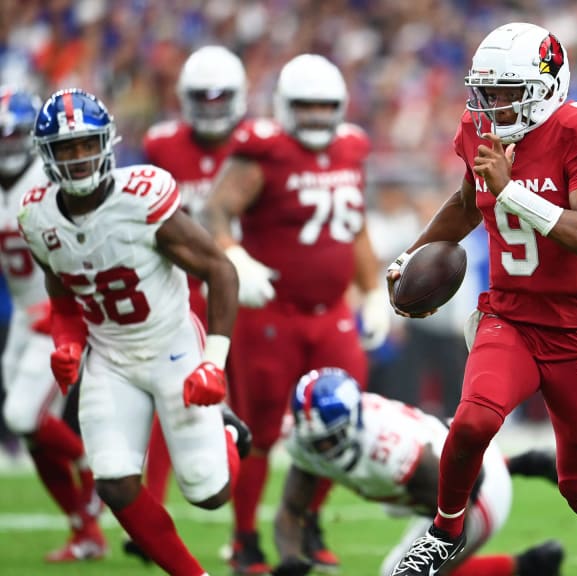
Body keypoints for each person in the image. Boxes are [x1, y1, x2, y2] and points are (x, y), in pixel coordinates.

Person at [386, 22, 577, 576]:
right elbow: (464, 202)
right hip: (511, 314)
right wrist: (411, 257)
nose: (495, 104)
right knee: (473, 421)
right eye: (488, 91)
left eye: (508, 91)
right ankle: (444, 533)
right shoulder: (481, 129)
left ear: (548, 86)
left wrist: (512, 191)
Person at [18, 88, 249, 576]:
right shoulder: (37, 217)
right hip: (110, 357)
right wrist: (67, 342)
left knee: (210, 492)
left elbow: (221, 271)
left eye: (86, 145)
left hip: (172, 346)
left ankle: (227, 429)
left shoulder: (141, 197)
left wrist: (213, 361)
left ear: (106, 144)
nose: (78, 158)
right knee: (115, 483)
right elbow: (62, 296)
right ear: (48, 156)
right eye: (66, 148)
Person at [201, 53, 391, 575]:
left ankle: (304, 520)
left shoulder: (351, 148)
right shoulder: (264, 151)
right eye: (303, 106)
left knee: (341, 422)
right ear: (284, 107)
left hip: (331, 315)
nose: (313, 117)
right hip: (272, 314)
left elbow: (353, 227)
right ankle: (244, 539)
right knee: (260, 431)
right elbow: (215, 208)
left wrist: (372, 291)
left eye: (323, 107)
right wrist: (234, 255)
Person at [271, 367, 565, 576]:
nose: (320, 448)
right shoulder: (306, 438)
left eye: (328, 439)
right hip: (449, 455)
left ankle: (526, 560)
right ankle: (532, 565)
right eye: (313, 440)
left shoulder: (389, 449)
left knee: (402, 573)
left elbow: (464, 497)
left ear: (352, 423)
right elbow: (291, 508)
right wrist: (289, 558)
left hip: (477, 488)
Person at [136, 44, 250, 514]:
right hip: (181, 290)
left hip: (240, 282)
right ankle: (156, 501)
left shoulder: (254, 143)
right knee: (175, 397)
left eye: (220, 98)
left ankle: (242, 521)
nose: (212, 109)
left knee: (245, 396)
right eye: (202, 98)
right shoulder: (162, 144)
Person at [0, 86, 105, 562]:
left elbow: (87, 242)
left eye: (15, 134)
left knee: (23, 416)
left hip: (56, 311)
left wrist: (72, 303)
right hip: (24, 316)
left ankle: (93, 465)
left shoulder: (54, 180)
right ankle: (85, 531)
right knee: (30, 432)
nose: (6, 144)